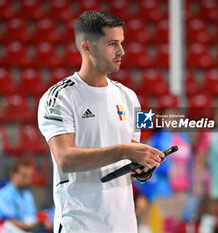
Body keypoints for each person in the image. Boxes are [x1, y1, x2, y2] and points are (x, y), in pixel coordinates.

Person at [37, 11, 164, 233]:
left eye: (122, 43)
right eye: (112, 44)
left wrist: (143, 168)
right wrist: (125, 151)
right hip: (79, 225)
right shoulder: (59, 97)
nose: (121, 51)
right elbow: (65, 159)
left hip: (123, 225)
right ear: (86, 47)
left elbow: (132, 157)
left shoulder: (129, 97)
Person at [0, 158, 52, 233]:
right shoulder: (3, 195)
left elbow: (32, 217)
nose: (28, 180)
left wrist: (42, 224)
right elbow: (8, 222)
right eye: (24, 176)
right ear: (13, 174)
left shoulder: (27, 195)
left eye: (29, 176)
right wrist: (36, 226)